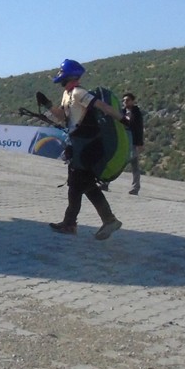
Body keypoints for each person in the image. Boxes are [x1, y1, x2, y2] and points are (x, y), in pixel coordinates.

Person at [43, 59, 124, 240]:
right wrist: (48, 106)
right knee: (82, 185)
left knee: (78, 185)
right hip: (79, 145)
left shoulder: (80, 93)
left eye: (62, 75)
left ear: (69, 76)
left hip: (87, 146)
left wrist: (123, 120)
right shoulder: (67, 94)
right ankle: (80, 222)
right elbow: (62, 117)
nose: (60, 78)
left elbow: (103, 107)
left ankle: (78, 223)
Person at [120, 92, 144, 195]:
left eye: (127, 100)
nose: (125, 102)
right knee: (117, 162)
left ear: (132, 101)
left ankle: (135, 187)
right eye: (124, 100)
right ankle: (106, 182)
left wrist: (140, 143)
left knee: (134, 165)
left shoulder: (137, 113)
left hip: (133, 142)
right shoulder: (121, 112)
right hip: (122, 141)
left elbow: (139, 129)